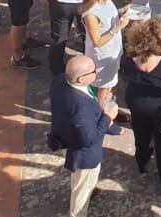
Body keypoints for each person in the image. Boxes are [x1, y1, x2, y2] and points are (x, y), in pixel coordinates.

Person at [122, 18, 161, 195]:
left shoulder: (129, 58)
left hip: (138, 104)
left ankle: (142, 163)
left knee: (141, 136)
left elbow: (125, 74)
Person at [49, 54, 116, 217]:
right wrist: (108, 117)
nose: (96, 72)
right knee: (81, 190)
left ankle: (90, 189)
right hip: (83, 154)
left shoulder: (60, 80)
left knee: (84, 181)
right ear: (81, 79)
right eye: (93, 71)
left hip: (65, 138)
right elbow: (89, 139)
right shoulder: (82, 108)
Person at [79, 0, 128, 104]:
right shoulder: (91, 14)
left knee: (110, 85)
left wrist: (123, 10)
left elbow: (109, 15)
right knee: (105, 88)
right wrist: (117, 28)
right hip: (103, 55)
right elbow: (97, 42)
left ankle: (108, 104)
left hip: (114, 50)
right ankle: (103, 112)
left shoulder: (107, 1)